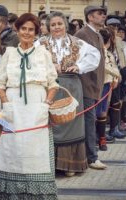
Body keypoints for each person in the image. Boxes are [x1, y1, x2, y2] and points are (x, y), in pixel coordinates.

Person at [0, 13, 59, 199]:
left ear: (36, 32)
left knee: (35, 151)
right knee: (11, 149)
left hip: (37, 106)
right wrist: (6, 103)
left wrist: (46, 104)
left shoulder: (43, 54)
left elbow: (53, 84)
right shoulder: (9, 53)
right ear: (18, 29)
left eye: (31, 29)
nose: (27, 32)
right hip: (13, 107)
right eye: (24, 28)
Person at [37, 11, 100, 176]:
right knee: (50, 122)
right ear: (48, 27)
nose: (57, 27)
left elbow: (95, 56)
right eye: (53, 24)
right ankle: (51, 164)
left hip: (72, 85)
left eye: (59, 24)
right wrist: (49, 67)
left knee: (71, 122)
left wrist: (80, 67)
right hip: (49, 86)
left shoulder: (77, 42)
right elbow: (32, 62)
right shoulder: (40, 43)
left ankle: (70, 165)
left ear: (65, 25)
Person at [74, 5, 107, 170]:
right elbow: (76, 59)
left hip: (96, 85)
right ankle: (92, 158)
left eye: (103, 14)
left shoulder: (98, 35)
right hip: (85, 84)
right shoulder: (81, 34)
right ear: (90, 17)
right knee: (88, 122)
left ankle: (89, 156)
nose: (103, 16)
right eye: (99, 14)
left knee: (91, 121)